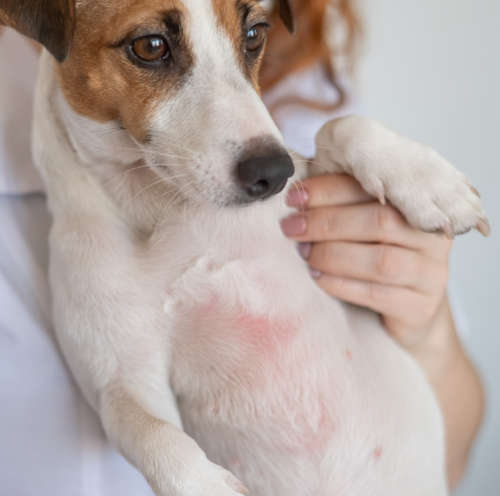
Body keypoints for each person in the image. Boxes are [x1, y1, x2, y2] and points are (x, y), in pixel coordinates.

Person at [0, 2, 483, 494]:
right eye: (152, 48)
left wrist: (428, 330)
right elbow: (126, 396)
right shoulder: (85, 255)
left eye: (251, 37)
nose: (257, 132)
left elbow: (457, 455)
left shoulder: (303, 101)